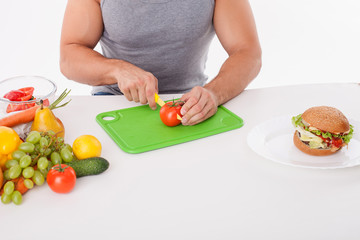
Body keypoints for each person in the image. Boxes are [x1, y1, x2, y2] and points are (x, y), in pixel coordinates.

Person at [60, 0, 262, 125]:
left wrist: (214, 93)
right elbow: (69, 56)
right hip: (114, 102)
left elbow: (248, 52)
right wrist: (117, 70)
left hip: (190, 105)